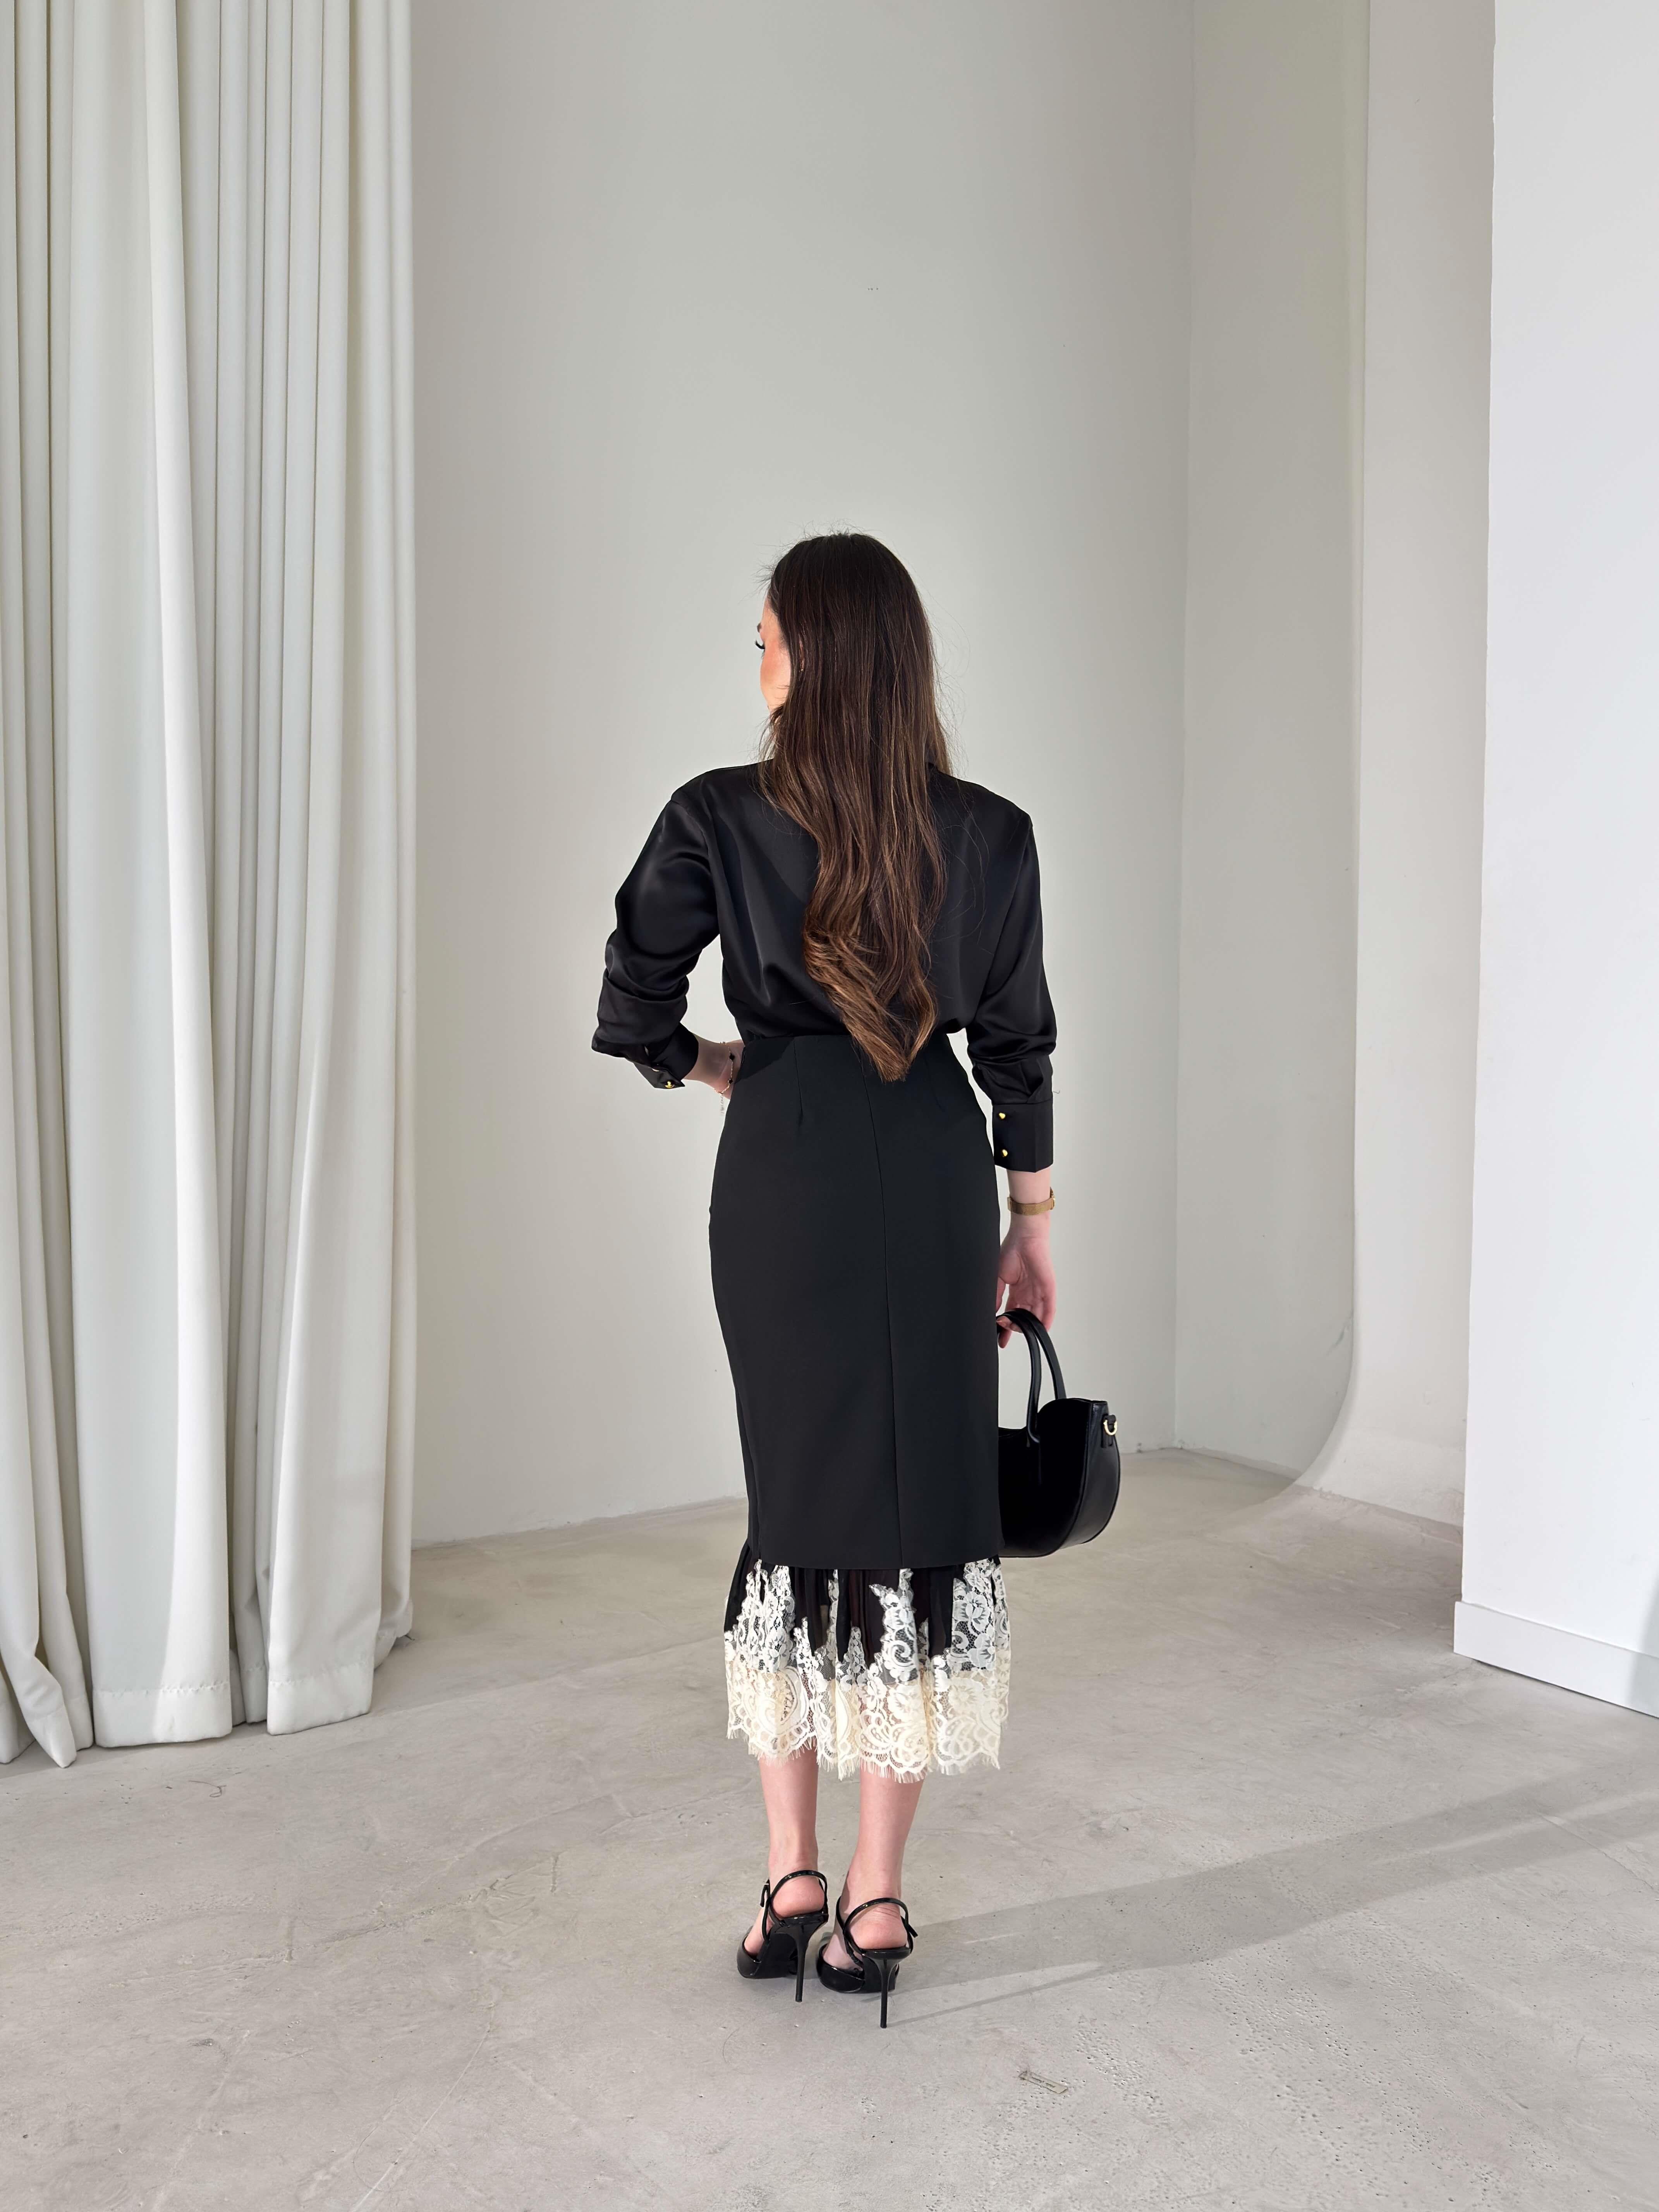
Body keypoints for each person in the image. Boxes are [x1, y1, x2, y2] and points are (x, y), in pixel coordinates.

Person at [592, 532, 1056, 2026]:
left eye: (766, 639)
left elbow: (631, 994)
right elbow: (1019, 1050)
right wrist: (1029, 1222)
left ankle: (788, 1878)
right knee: (918, 1517)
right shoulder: (992, 835)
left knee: (794, 1513)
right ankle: (876, 1896)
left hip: (783, 1170)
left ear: (812, 657)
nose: (759, 662)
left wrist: (714, 1063)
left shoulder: (717, 814)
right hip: (930, 1168)